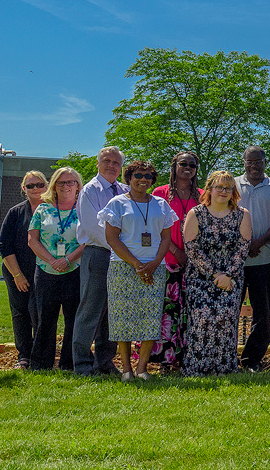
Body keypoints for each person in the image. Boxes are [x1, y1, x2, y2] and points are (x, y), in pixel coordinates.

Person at [101, 161, 178, 380]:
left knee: (150, 317)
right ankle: (126, 370)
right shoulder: (116, 203)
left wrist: (154, 263)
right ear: (129, 177)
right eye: (138, 175)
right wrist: (135, 263)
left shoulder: (161, 205)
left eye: (148, 176)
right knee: (122, 318)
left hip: (154, 268)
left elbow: (166, 237)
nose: (143, 179)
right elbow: (111, 238)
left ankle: (142, 369)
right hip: (123, 266)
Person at [180, 171, 252, 376]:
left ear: (233, 192)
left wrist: (228, 275)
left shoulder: (242, 214)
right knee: (202, 320)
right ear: (209, 189)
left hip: (231, 279)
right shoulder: (196, 213)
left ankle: (224, 368)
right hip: (200, 278)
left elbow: (243, 248)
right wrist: (214, 275)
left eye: (228, 188)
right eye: (219, 187)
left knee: (226, 320)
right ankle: (196, 368)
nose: (223, 191)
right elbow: (192, 248)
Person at [73, 146, 127, 376]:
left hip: (121, 258)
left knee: (112, 312)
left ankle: (105, 362)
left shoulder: (126, 191)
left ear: (121, 167)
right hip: (98, 254)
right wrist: (122, 248)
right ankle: (83, 365)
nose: (111, 165)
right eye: (106, 160)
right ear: (98, 163)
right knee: (90, 310)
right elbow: (93, 227)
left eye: (116, 162)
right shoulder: (90, 191)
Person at [235, 145, 270, 372]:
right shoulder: (233, 185)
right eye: (250, 161)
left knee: (262, 314)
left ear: (265, 162)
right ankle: (227, 357)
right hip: (234, 261)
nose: (254, 165)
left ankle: (251, 360)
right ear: (244, 162)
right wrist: (243, 245)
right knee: (229, 312)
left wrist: (257, 242)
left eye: (259, 161)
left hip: (266, 259)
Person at [26, 167, 84, 371]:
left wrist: (68, 259)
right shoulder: (43, 209)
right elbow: (32, 239)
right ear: (54, 186)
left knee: (73, 320)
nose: (66, 186)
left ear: (78, 186)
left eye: (71, 182)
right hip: (45, 271)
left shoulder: (84, 210)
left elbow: (87, 241)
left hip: (74, 270)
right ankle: (41, 364)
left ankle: (69, 363)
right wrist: (52, 260)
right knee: (44, 320)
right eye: (61, 182)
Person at [150, 151, 201, 368]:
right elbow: (155, 226)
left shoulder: (202, 195)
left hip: (195, 264)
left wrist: (192, 255)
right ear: (174, 166)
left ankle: (185, 359)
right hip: (166, 260)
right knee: (166, 313)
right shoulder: (160, 193)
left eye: (192, 164)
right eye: (183, 163)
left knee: (189, 313)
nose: (187, 167)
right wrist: (175, 250)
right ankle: (165, 360)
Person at [0, 170, 47, 369]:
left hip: (47, 271)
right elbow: (4, 245)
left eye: (39, 184)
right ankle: (24, 355)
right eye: (30, 186)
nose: (35, 189)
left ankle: (42, 354)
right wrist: (17, 275)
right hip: (18, 270)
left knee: (43, 313)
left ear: (47, 185)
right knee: (21, 312)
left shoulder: (56, 210)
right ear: (24, 189)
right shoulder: (16, 212)